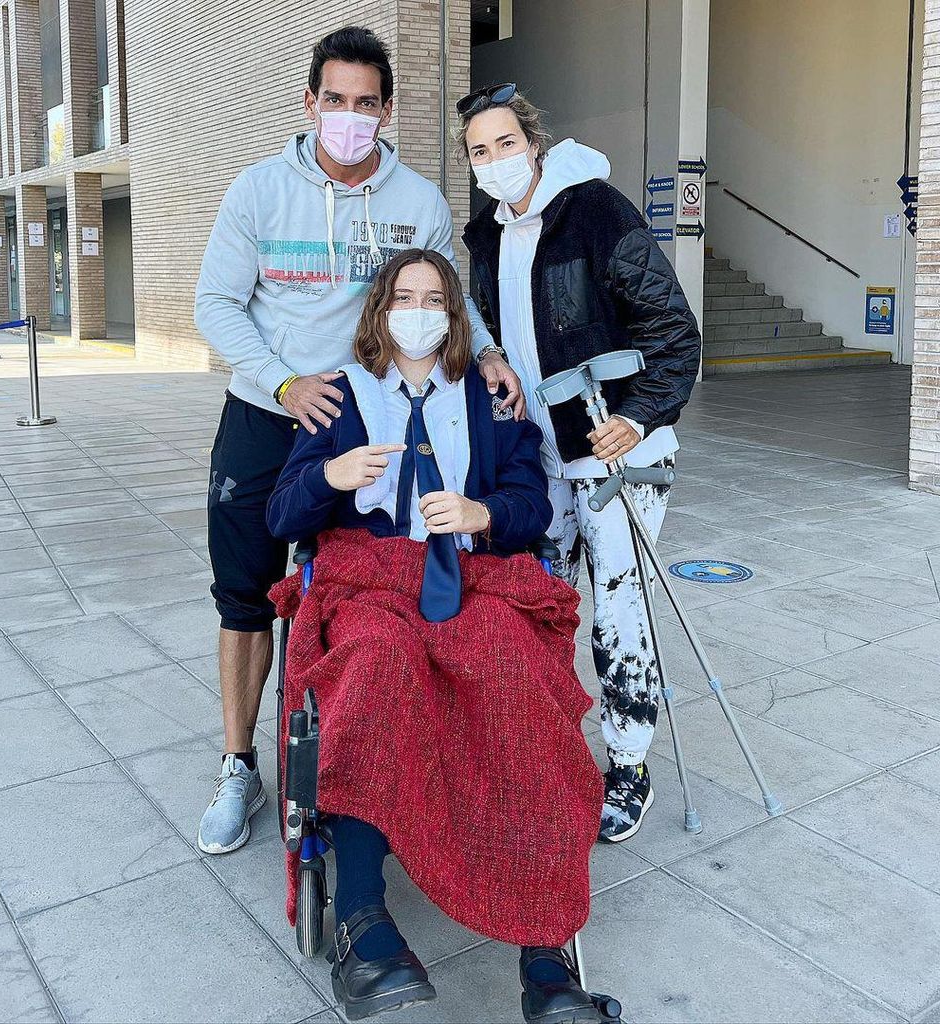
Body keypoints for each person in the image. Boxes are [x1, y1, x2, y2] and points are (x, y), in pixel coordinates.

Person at [192, 27, 519, 855]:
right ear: (309, 103)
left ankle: (342, 752)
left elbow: (450, 297)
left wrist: (485, 354)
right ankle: (239, 764)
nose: (348, 115)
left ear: (385, 110)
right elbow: (215, 305)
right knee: (244, 594)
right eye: (333, 100)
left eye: (364, 103)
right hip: (271, 411)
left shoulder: (418, 202)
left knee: (347, 587)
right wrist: (282, 382)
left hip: (365, 417)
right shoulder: (259, 189)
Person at [267, 249, 609, 1023]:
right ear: (379, 311)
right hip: (369, 579)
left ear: (455, 317)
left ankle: (547, 956)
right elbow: (281, 516)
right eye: (402, 297)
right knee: (380, 664)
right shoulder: (342, 399)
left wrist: (486, 515)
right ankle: (364, 922)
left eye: (434, 300)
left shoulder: (488, 397)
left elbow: (530, 500)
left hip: (471, 572)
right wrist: (329, 478)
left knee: (513, 672)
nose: (417, 312)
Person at [458, 84, 702, 843]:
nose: (494, 160)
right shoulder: (486, 235)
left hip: (616, 451)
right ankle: (551, 747)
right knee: (543, 608)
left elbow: (674, 331)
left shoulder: (595, 210)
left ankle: (629, 764)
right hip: (543, 458)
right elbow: (495, 335)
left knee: (620, 613)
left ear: (532, 142)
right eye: (478, 151)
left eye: (505, 143)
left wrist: (636, 416)